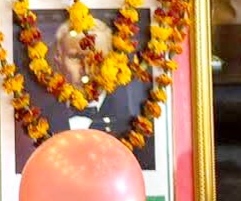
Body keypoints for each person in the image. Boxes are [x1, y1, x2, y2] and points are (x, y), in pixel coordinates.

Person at [13, 16, 152, 172]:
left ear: (114, 61)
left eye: (98, 58)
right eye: (76, 57)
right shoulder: (37, 122)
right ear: (58, 60)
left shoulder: (135, 125)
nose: (87, 67)